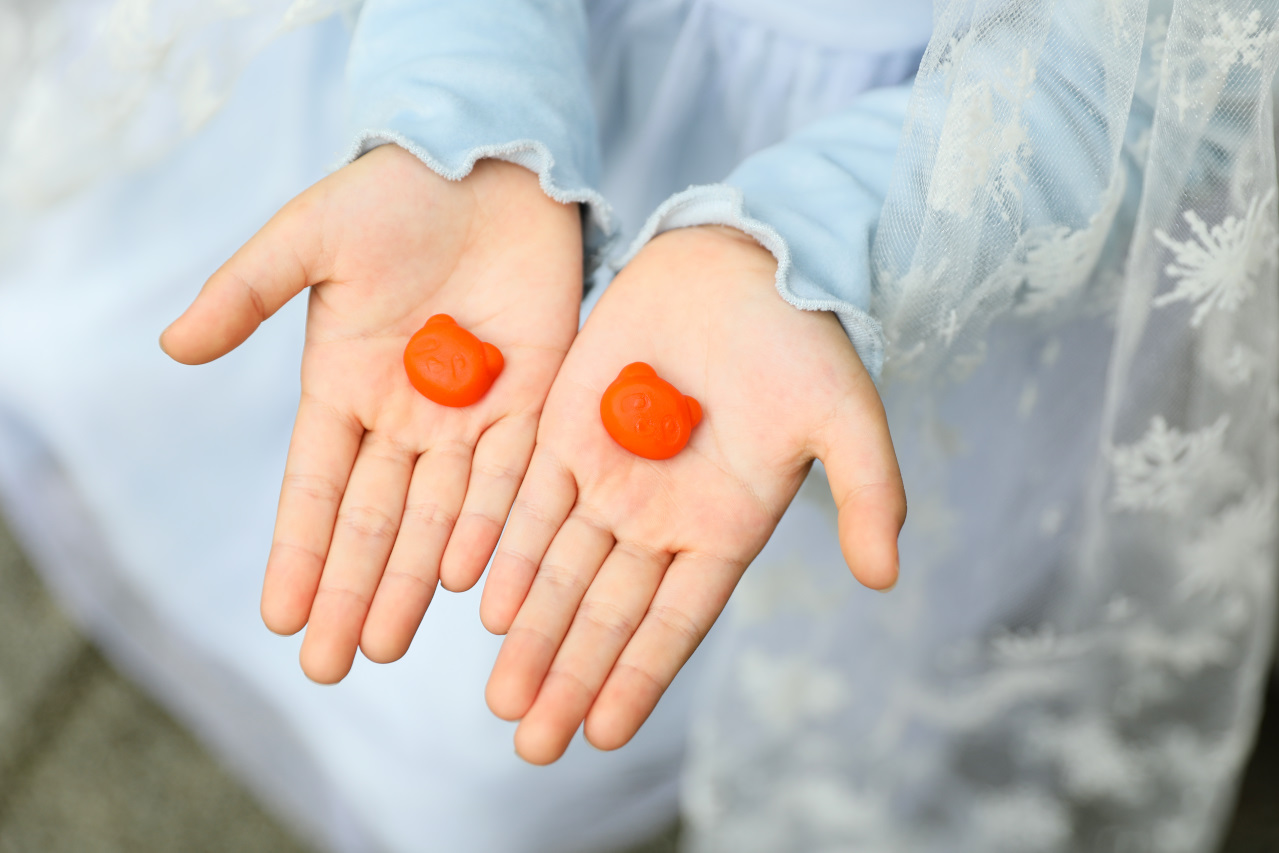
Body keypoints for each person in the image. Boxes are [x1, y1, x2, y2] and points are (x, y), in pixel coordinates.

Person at [1, 1, 1275, 851]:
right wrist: (464, 106)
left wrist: (822, 234)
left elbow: (1203, 58)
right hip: (491, 68)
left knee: (480, 716)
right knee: (106, 337)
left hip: (931, 185)